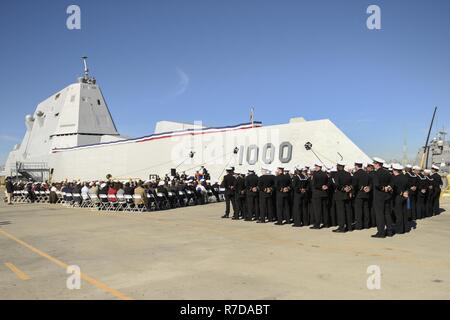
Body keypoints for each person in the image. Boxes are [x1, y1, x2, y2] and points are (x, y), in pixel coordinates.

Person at [371, 157, 394, 238]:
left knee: (379, 214)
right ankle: (390, 231)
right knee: (387, 213)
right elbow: (392, 182)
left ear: (377, 164)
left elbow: (377, 185)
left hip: (379, 196)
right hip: (387, 196)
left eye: (374, 163)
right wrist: (388, 187)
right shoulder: (387, 172)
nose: (373, 165)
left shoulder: (376, 173)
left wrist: (383, 188)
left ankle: (381, 232)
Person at [332, 161, 354, 233]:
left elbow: (336, 185)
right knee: (348, 211)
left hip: (340, 195)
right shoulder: (348, 174)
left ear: (339, 166)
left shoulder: (337, 174)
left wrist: (343, 189)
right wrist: (349, 189)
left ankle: (341, 228)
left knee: (340, 212)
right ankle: (349, 227)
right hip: (347, 195)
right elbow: (352, 183)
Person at [352, 161, 371, 229]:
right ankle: (366, 224)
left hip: (359, 194)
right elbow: (370, 183)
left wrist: (353, 193)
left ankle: (359, 225)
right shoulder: (366, 173)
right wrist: (368, 188)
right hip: (366, 194)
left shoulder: (356, 174)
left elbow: (355, 184)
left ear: (356, 165)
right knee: (366, 210)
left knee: (358, 210)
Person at [391, 163, 409, 234]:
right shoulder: (405, 177)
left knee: (398, 214)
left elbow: (394, 189)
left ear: (394, 170)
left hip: (397, 197)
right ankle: (405, 228)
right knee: (404, 212)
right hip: (405, 197)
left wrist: (401, 193)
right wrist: (406, 192)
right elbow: (408, 187)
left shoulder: (395, 178)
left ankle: (399, 229)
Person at [310, 164, 330, 229]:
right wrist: (325, 186)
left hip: (317, 194)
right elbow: (328, 182)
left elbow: (314, 184)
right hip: (324, 193)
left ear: (319, 167)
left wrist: (320, 187)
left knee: (317, 210)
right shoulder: (324, 174)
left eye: (316, 166)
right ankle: (326, 224)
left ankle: (317, 224)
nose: (315, 167)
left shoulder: (315, 174)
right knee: (325, 209)